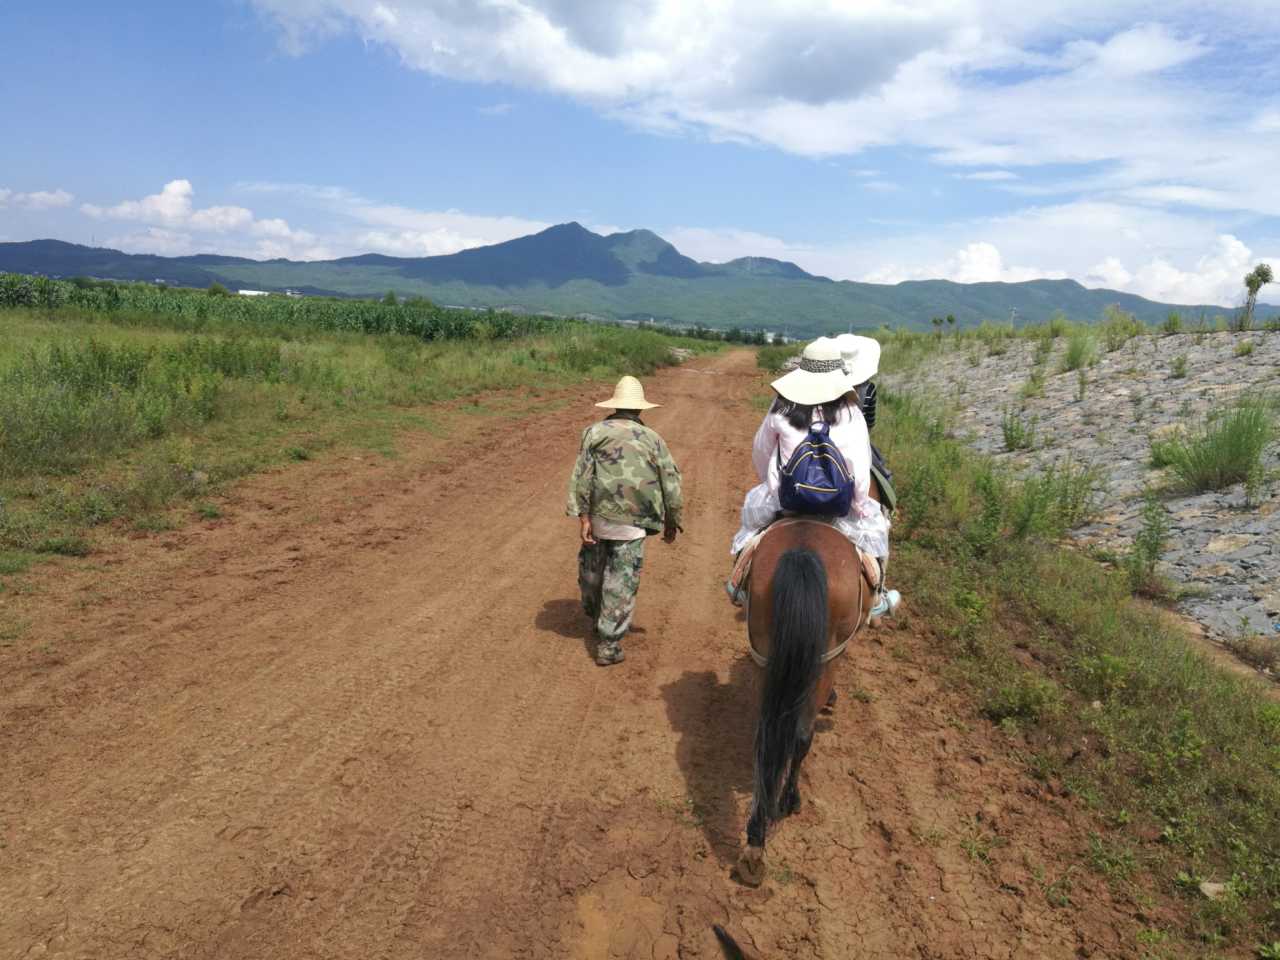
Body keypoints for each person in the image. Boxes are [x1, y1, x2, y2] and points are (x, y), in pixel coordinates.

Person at [729, 337, 898, 618]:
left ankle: (740, 582)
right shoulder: (851, 411)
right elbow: (859, 467)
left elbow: (761, 452)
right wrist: (858, 505)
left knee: (751, 530)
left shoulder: (782, 406)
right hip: (837, 505)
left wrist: (771, 485)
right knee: (877, 534)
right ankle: (878, 595)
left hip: (786, 500)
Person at [566, 375, 683, 666]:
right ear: (640, 408)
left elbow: (582, 477)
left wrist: (583, 517)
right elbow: (671, 483)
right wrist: (672, 520)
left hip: (598, 518)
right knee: (621, 582)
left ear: (615, 406)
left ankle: (597, 617)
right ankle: (609, 645)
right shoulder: (653, 439)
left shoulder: (594, 432)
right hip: (633, 523)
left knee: (592, 573)